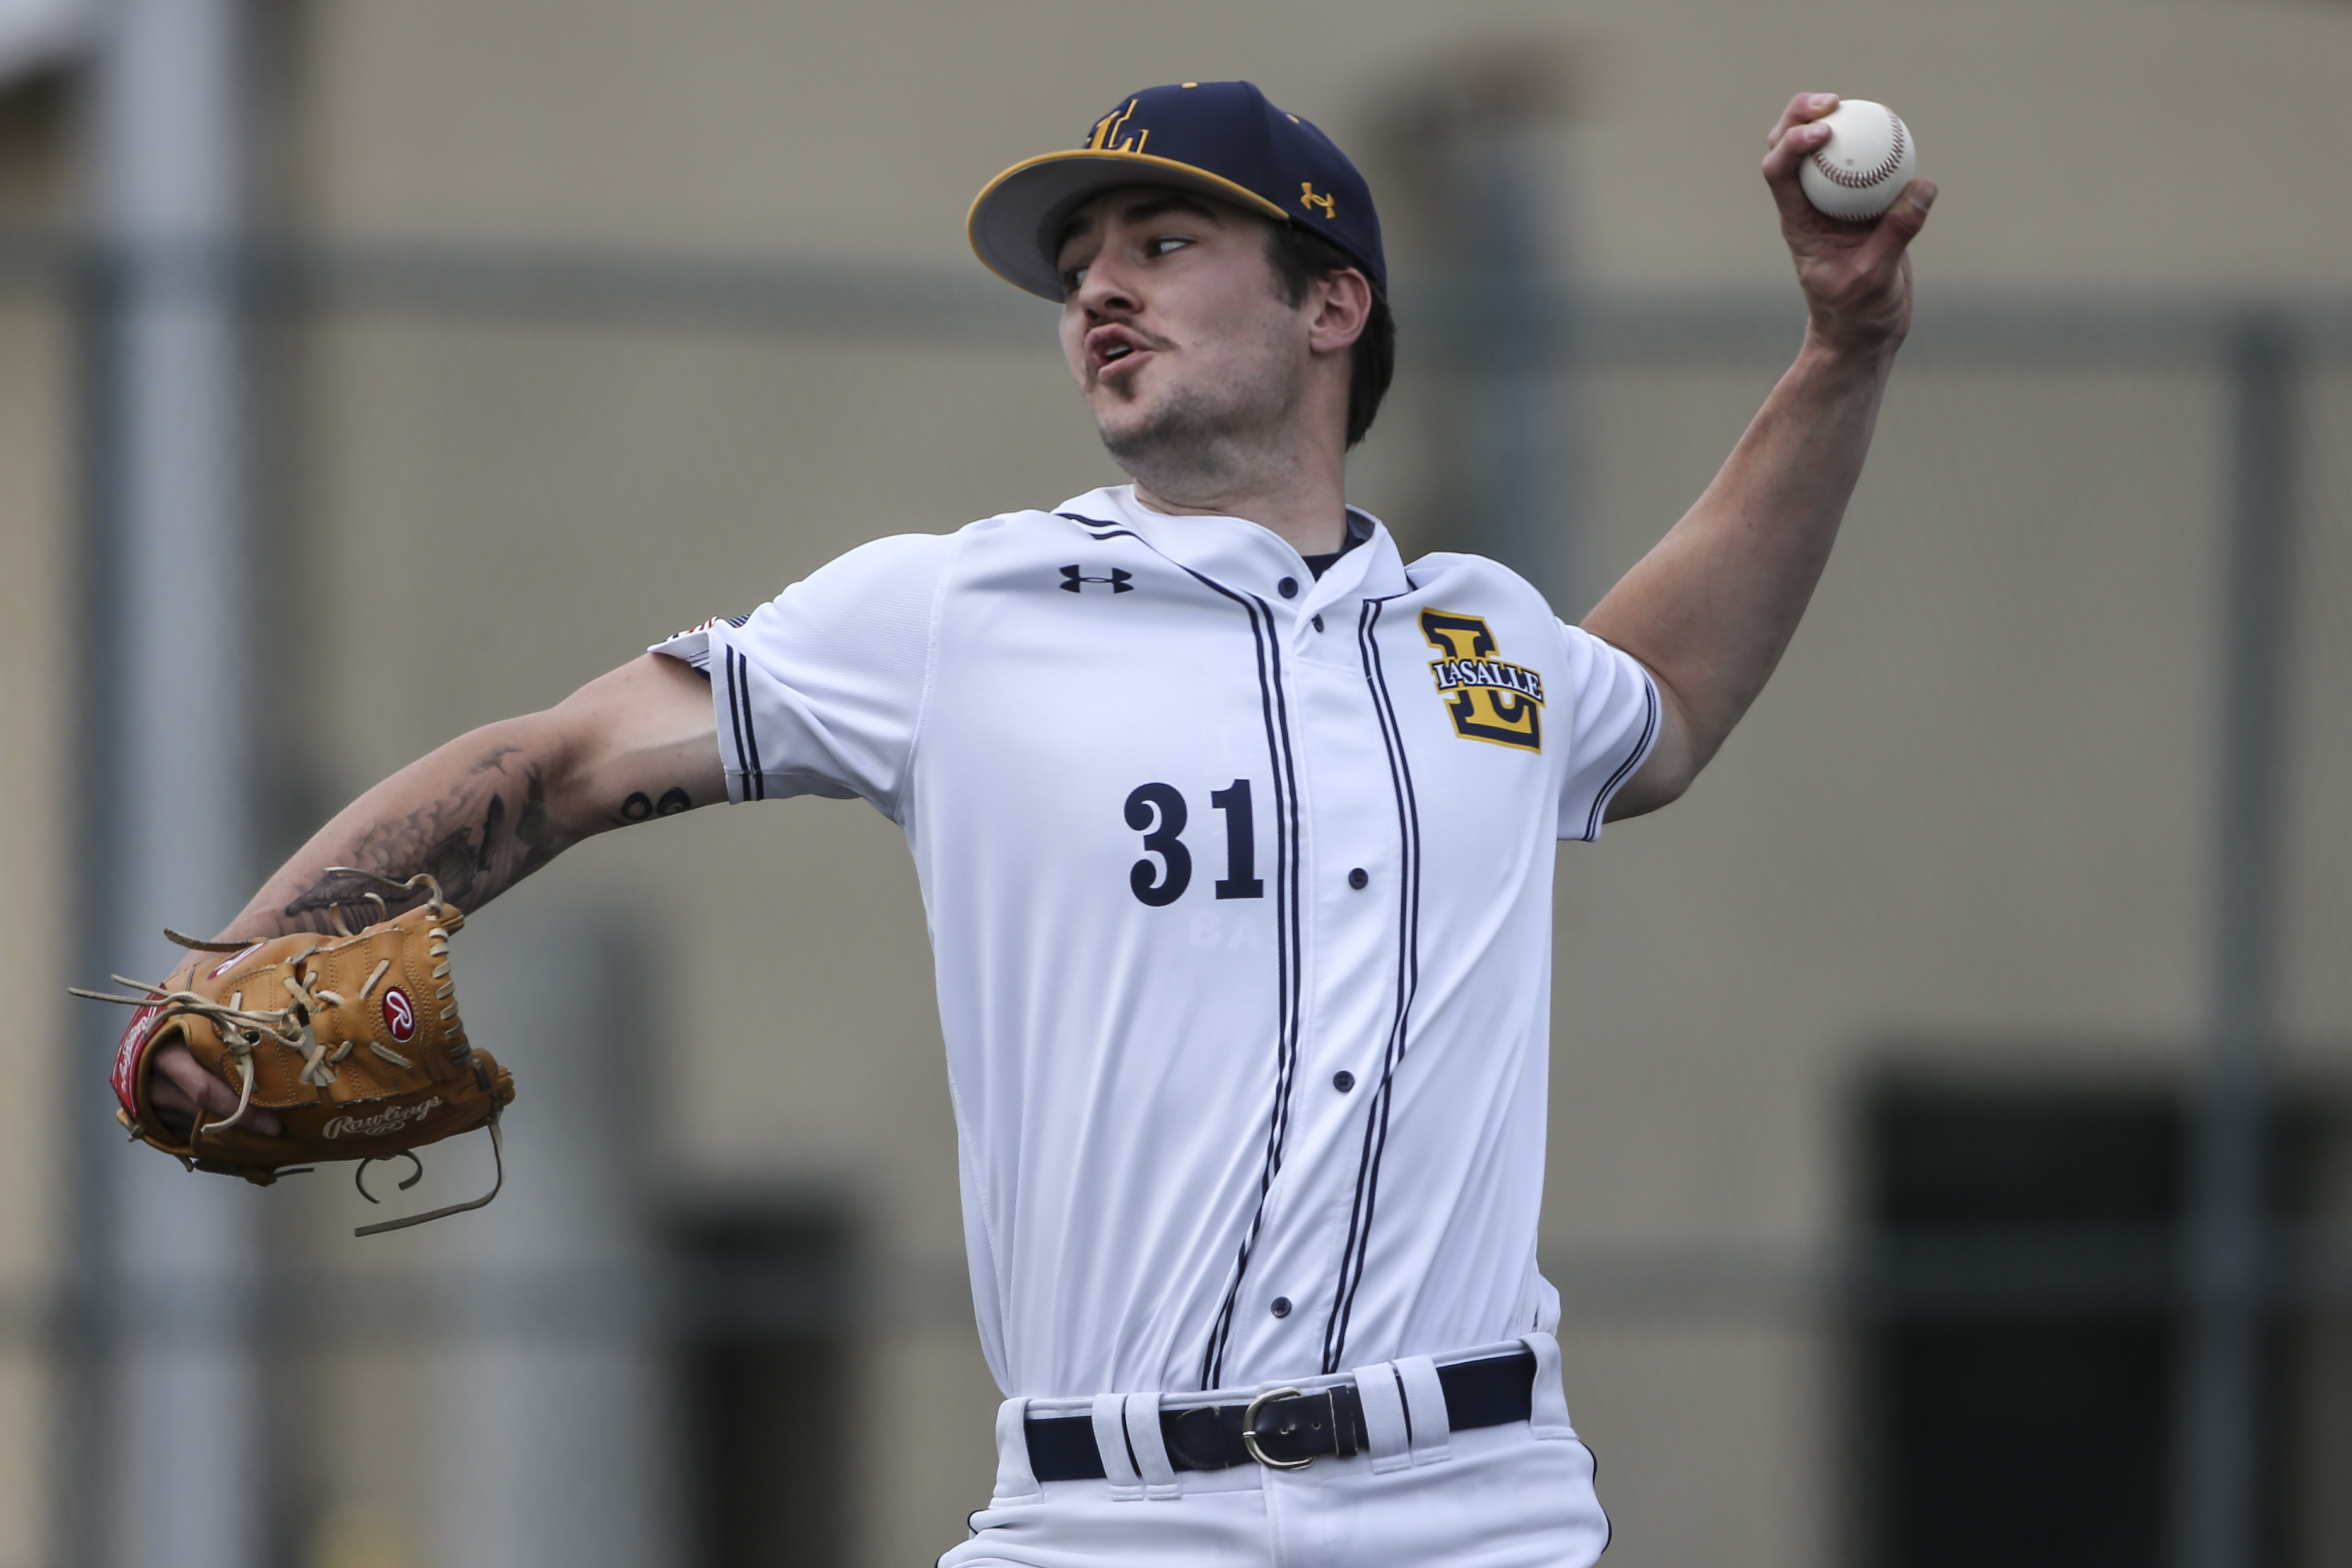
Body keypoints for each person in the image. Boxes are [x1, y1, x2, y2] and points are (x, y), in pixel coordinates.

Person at [139, 79, 1930, 1566]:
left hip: (1477, 1506)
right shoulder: (955, 614)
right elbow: (559, 761)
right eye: (1077, 264)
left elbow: (1673, 699)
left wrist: (1840, 353)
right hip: (1105, 1515)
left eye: (1162, 242)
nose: (1098, 292)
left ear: (1331, 304)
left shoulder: (1481, 645)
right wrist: (252, 959)